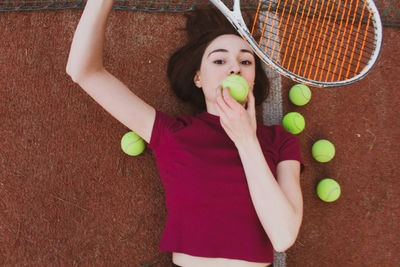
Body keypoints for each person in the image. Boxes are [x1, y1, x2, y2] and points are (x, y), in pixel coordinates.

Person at [66, 0, 304, 266]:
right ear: (198, 78)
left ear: (252, 79)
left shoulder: (280, 141)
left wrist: (246, 140)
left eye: (245, 61)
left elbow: (283, 236)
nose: (234, 67)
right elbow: (83, 72)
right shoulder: (173, 134)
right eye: (220, 59)